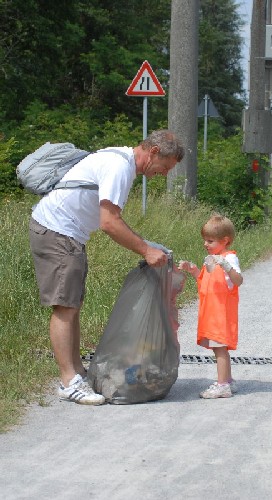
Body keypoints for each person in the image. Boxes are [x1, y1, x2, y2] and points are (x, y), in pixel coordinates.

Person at [29, 129, 184, 405]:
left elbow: (114, 220)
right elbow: (109, 222)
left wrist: (147, 244)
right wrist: (146, 250)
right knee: (64, 305)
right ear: (154, 152)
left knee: (71, 304)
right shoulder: (119, 168)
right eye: (165, 168)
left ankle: (77, 372)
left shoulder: (119, 160)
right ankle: (69, 381)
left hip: (67, 234)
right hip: (57, 231)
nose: (163, 174)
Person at [178, 214, 243, 399]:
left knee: (220, 348)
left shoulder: (228, 259)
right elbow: (205, 282)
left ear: (225, 241)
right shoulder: (212, 258)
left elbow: (238, 280)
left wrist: (226, 266)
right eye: (205, 240)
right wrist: (193, 269)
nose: (206, 244)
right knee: (218, 348)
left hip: (221, 314)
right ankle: (228, 381)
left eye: (210, 240)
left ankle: (222, 385)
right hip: (211, 312)